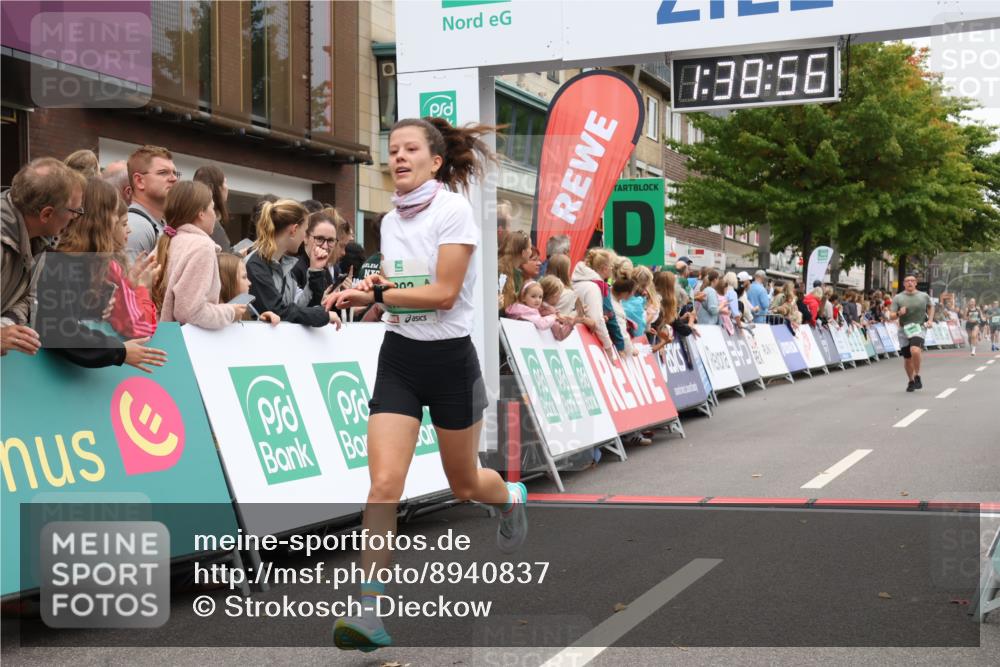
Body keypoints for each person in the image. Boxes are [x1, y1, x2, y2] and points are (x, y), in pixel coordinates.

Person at [329, 117, 526, 652]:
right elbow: (402, 287)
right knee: (383, 485)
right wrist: (375, 287)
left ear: (435, 161)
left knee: (465, 484)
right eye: (391, 149)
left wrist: (377, 296)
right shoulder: (390, 221)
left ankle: (508, 497)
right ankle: (369, 611)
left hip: (449, 361)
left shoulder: (454, 211)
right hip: (399, 358)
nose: (397, 157)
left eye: (409, 149)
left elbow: (442, 293)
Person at [34, 177, 167, 371]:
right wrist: (119, 351)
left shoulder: (83, 263)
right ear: (100, 219)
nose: (120, 222)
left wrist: (97, 308)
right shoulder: (63, 263)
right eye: (115, 214)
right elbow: (60, 331)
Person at [55, 177, 159, 340]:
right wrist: (143, 289)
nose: (127, 228)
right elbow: (141, 328)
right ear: (101, 220)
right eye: (117, 217)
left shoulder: (58, 254)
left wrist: (128, 284)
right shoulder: (104, 265)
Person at [1, 158, 85, 357]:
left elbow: (29, 297)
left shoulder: (38, 241)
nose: (75, 218)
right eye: (74, 211)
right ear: (47, 214)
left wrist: (7, 323)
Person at [153, 181, 246, 328]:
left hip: (157, 339)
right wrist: (230, 312)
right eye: (212, 208)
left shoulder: (166, 242)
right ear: (201, 213)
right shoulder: (202, 247)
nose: (214, 215)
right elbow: (190, 311)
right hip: (182, 346)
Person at [245, 199, 342, 328]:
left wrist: (316, 271)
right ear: (294, 230)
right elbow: (279, 311)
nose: (304, 238)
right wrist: (323, 315)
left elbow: (304, 307)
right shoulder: (255, 265)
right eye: (305, 231)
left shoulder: (285, 265)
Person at [126, 145, 178, 256]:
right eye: (163, 172)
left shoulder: (158, 224)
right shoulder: (136, 227)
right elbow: (129, 274)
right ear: (139, 181)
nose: (174, 178)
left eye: (175, 173)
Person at [888, 275, 934, 392]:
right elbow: (891, 316)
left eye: (912, 281)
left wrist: (930, 320)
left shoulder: (923, 296)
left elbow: (931, 306)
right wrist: (899, 313)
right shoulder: (898, 297)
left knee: (915, 350)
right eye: (907, 281)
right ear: (903, 283)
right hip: (904, 330)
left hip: (919, 327)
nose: (910, 283)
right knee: (907, 359)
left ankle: (917, 375)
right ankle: (911, 380)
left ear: (916, 283)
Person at [290, 208, 343, 306]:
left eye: (331, 240)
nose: (325, 246)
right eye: (319, 239)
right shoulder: (294, 269)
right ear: (305, 237)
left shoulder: (325, 269)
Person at [572, 248, 616, 357]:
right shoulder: (593, 287)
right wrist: (608, 346)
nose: (612, 269)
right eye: (612, 266)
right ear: (604, 269)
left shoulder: (579, 281)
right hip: (583, 342)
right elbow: (597, 320)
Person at [216, 253, 280, 324]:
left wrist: (261, 322)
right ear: (226, 281)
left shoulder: (246, 309)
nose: (249, 283)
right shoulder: (211, 323)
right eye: (244, 277)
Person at [506, 280, 574, 340]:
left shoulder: (517, 309)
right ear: (523, 297)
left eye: (540, 297)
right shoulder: (528, 312)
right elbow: (542, 324)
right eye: (533, 296)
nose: (537, 300)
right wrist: (554, 317)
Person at [192, 164, 232, 250]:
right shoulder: (211, 224)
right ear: (215, 188)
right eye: (225, 182)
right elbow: (223, 259)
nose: (227, 187)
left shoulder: (188, 218)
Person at [544, 253, 579, 317]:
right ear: (565, 271)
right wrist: (577, 312)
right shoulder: (568, 293)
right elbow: (564, 316)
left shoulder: (541, 286)